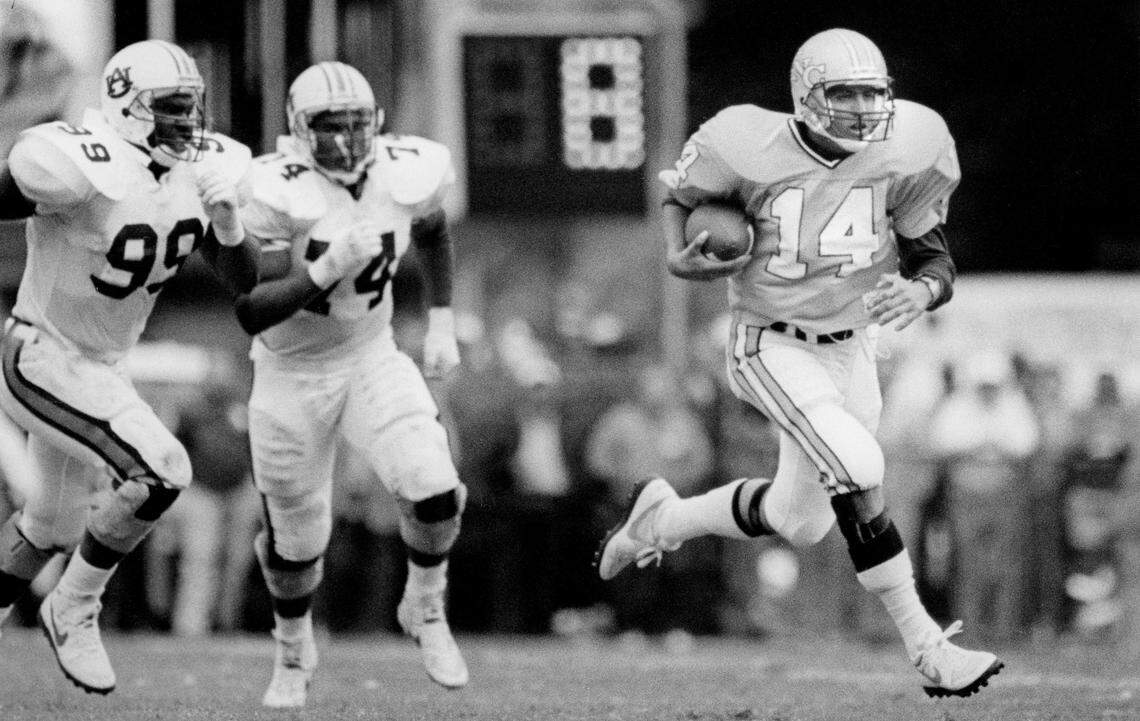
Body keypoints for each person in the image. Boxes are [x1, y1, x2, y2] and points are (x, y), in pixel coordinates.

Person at [595, 28, 1003, 698]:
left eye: (874, 94)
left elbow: (935, 256)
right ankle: (929, 646)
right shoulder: (745, 142)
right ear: (807, 95)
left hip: (853, 348)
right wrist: (677, 252)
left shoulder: (909, 146)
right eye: (846, 94)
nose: (864, 108)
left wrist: (921, 288)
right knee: (861, 466)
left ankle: (661, 519)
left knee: (801, 518)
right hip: (769, 342)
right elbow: (680, 198)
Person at [0, 39, 258, 695]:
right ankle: (74, 604)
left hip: (103, 366)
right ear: (124, 107)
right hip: (41, 351)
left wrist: (227, 224)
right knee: (164, 467)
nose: (186, 123)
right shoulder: (80, 163)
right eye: (169, 108)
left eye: (190, 108)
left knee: (51, 525)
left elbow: (248, 289)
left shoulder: (203, 168)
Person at [232, 61, 468, 708]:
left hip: (371, 353)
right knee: (298, 537)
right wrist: (326, 269)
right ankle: (290, 649)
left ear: (378, 123)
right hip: (289, 371)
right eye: (329, 126)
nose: (345, 139)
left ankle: (424, 603)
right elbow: (254, 306)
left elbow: (434, 230)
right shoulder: (273, 187)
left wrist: (441, 320)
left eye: (356, 123)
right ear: (298, 130)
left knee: (436, 486)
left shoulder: (405, 169)